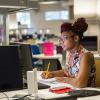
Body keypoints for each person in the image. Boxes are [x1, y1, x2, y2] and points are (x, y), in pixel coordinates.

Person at [41, 18, 96, 88]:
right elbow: (67, 71)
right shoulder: (69, 53)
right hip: (72, 89)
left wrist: (63, 80)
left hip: (86, 94)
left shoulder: (86, 56)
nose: (62, 42)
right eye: (61, 39)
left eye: (65, 38)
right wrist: (52, 74)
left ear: (76, 38)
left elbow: (80, 83)